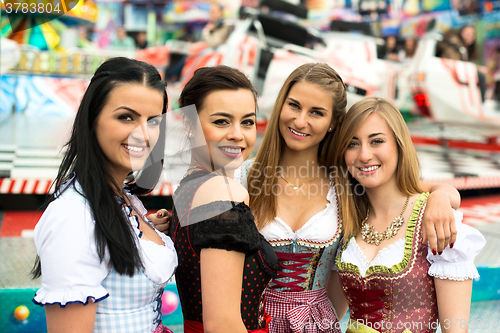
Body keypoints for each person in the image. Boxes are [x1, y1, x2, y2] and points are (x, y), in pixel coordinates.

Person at [238, 63, 461, 332]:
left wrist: (441, 196)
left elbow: (409, 188)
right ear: (280, 106)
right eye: (294, 106)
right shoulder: (243, 178)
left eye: (316, 112)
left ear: (333, 123)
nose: (300, 121)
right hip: (248, 322)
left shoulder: (346, 184)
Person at [31, 57, 177, 333]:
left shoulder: (123, 200)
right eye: (126, 117)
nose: (144, 134)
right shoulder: (73, 216)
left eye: (154, 121)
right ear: (92, 118)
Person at [331, 97, 485, 333]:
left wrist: (441, 196)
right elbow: (331, 311)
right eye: (353, 144)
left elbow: (454, 330)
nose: (363, 155)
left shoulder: (434, 218)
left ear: (399, 145)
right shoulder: (347, 218)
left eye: (377, 141)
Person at [169, 65, 279, 333]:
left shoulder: (190, 185)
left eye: (247, 122)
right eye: (221, 121)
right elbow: (223, 325)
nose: (238, 134)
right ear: (189, 124)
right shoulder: (223, 191)